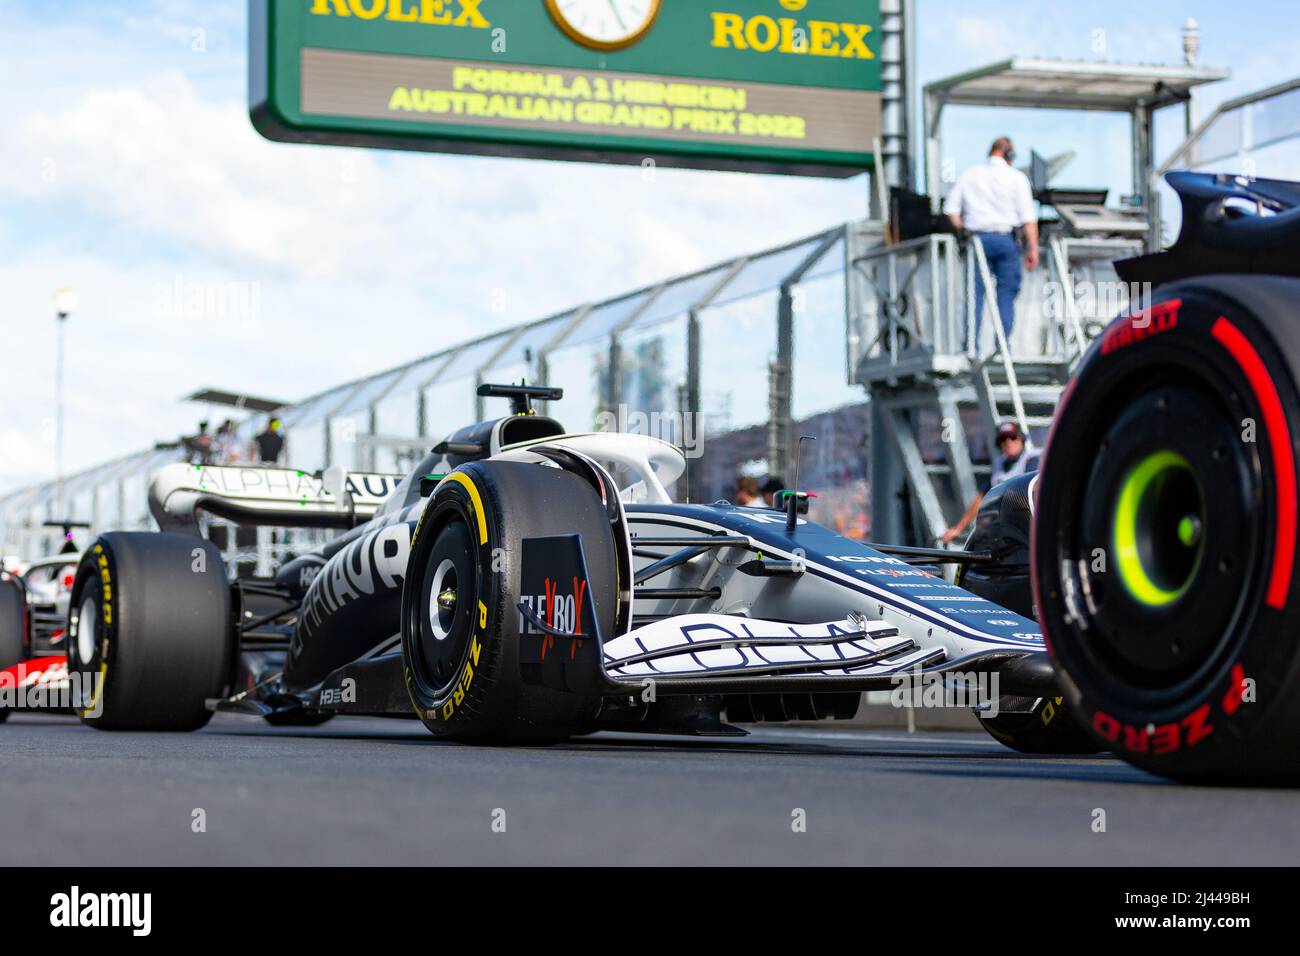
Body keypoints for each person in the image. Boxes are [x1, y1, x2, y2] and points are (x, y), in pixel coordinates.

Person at [943, 136, 1039, 347]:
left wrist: (963, 230)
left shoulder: (970, 174)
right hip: (1005, 240)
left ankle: (971, 346)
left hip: (977, 241)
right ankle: (1002, 346)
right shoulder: (1016, 177)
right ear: (1009, 154)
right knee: (1006, 294)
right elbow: (1028, 218)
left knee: (974, 295)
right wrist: (1033, 248)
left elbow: (950, 210)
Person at [941, 421, 1040, 545]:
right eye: (1003, 439)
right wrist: (958, 529)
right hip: (1006, 531)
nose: (1008, 442)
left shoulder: (1033, 461)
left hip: (1029, 531)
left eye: (1013, 437)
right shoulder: (998, 465)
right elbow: (981, 498)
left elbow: (1034, 493)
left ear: (1022, 440)